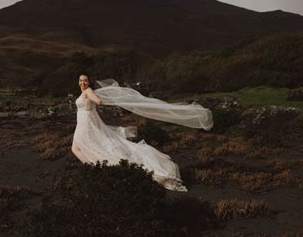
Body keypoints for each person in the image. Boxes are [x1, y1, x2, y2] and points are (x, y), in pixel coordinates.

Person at [71, 74, 214, 192]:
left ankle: (94, 168)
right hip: (84, 124)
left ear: (88, 82)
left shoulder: (88, 91)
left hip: (87, 124)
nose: (82, 82)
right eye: (80, 80)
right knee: (82, 148)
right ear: (78, 82)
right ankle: (94, 167)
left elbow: (98, 101)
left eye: (85, 80)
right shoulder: (83, 92)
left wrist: (94, 98)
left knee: (79, 148)